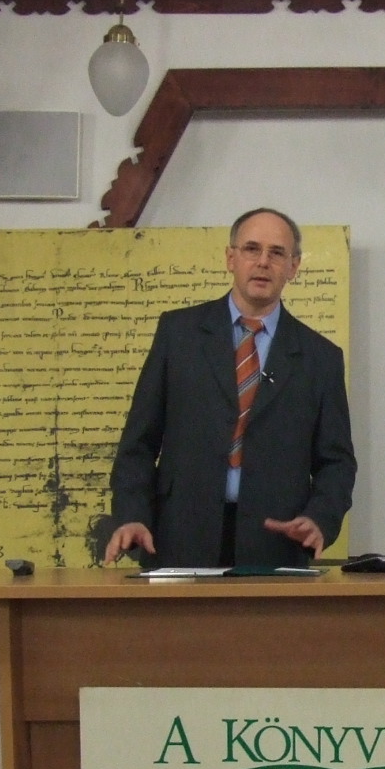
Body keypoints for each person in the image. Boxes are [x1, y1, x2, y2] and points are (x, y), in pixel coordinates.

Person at [103, 208, 355, 569]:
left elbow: (337, 463)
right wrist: (132, 515)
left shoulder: (320, 357)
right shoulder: (179, 335)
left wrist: (319, 519)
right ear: (230, 258)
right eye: (252, 249)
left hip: (275, 545)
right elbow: (138, 445)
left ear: (294, 266)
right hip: (178, 539)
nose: (263, 262)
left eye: (277, 253)